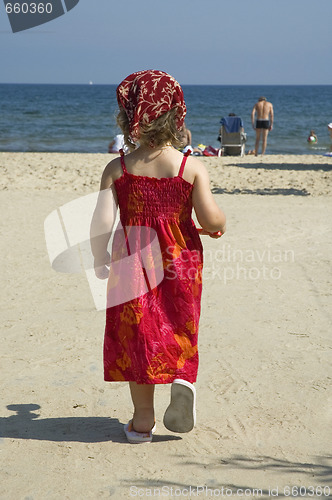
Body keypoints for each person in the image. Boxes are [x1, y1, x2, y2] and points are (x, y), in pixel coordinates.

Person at [90, 70, 226, 444]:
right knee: (178, 323)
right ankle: (182, 377)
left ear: (129, 115)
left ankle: (142, 420)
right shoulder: (189, 167)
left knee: (138, 335)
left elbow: (101, 224)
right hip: (180, 261)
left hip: (131, 264)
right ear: (177, 115)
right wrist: (219, 224)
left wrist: (100, 257)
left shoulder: (117, 169)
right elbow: (209, 217)